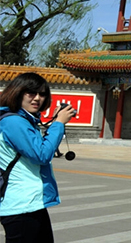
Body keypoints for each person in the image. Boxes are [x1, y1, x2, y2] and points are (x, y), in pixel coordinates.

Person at [0, 72, 76, 243]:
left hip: (31, 203)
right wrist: (58, 124)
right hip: (20, 205)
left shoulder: (23, 120)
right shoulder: (13, 122)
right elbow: (41, 155)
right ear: (17, 92)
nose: (37, 98)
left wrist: (55, 121)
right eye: (31, 93)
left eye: (42, 94)